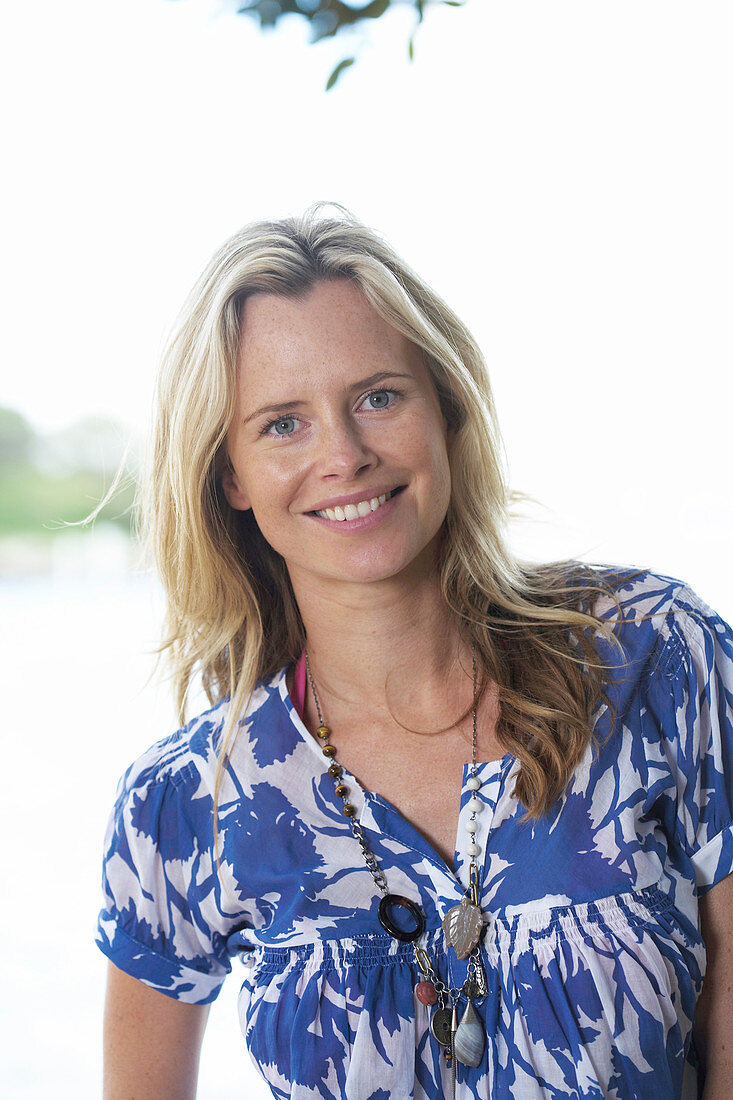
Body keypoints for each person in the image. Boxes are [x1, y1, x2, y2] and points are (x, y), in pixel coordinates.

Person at [97, 203, 733, 1100]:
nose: (345, 454)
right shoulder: (186, 800)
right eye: (282, 423)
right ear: (229, 475)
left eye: (377, 397)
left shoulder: (648, 654)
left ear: (445, 408)